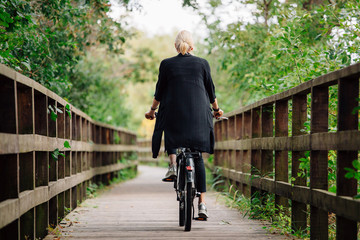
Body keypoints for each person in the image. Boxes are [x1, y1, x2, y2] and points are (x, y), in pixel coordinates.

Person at [145, 30, 223, 219]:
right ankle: (203, 204)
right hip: (199, 116)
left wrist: (152, 111)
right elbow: (210, 91)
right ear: (192, 46)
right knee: (198, 158)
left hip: (173, 114)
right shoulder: (203, 63)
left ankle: (172, 165)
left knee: (169, 125)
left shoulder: (166, 64)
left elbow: (159, 92)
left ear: (175, 46)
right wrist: (217, 110)